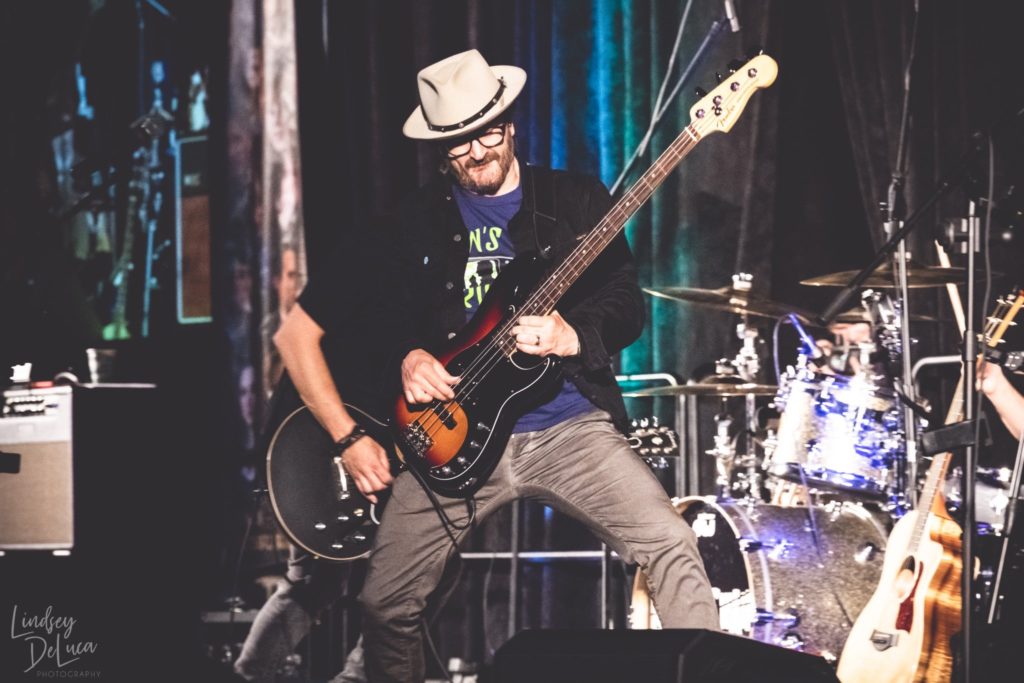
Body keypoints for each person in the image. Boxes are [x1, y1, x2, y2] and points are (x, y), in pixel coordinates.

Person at [342, 49, 719, 683]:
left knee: (671, 543)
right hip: (448, 435)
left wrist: (575, 333)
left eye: (486, 133)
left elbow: (625, 301)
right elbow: (377, 321)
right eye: (458, 144)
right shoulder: (418, 223)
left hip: (567, 427)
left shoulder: (573, 200)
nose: (477, 153)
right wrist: (405, 357)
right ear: (441, 152)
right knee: (384, 604)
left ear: (510, 124)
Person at [233, 226, 397, 683]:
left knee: (313, 585)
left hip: (325, 445)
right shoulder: (373, 255)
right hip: (321, 446)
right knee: (413, 574)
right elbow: (294, 340)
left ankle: (248, 674)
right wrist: (346, 440)